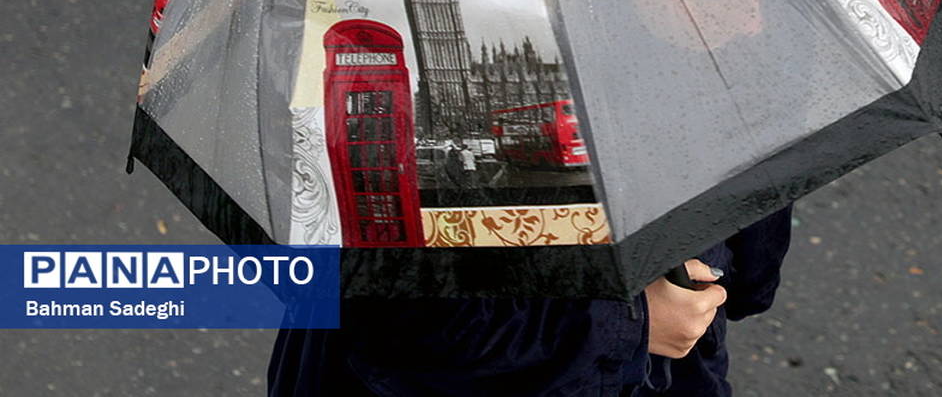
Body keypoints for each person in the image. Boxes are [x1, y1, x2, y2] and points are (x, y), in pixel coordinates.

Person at [267, 204, 793, 396]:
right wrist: (631, 324)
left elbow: (749, 275)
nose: (750, 19)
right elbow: (394, 320)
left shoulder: (735, 50)